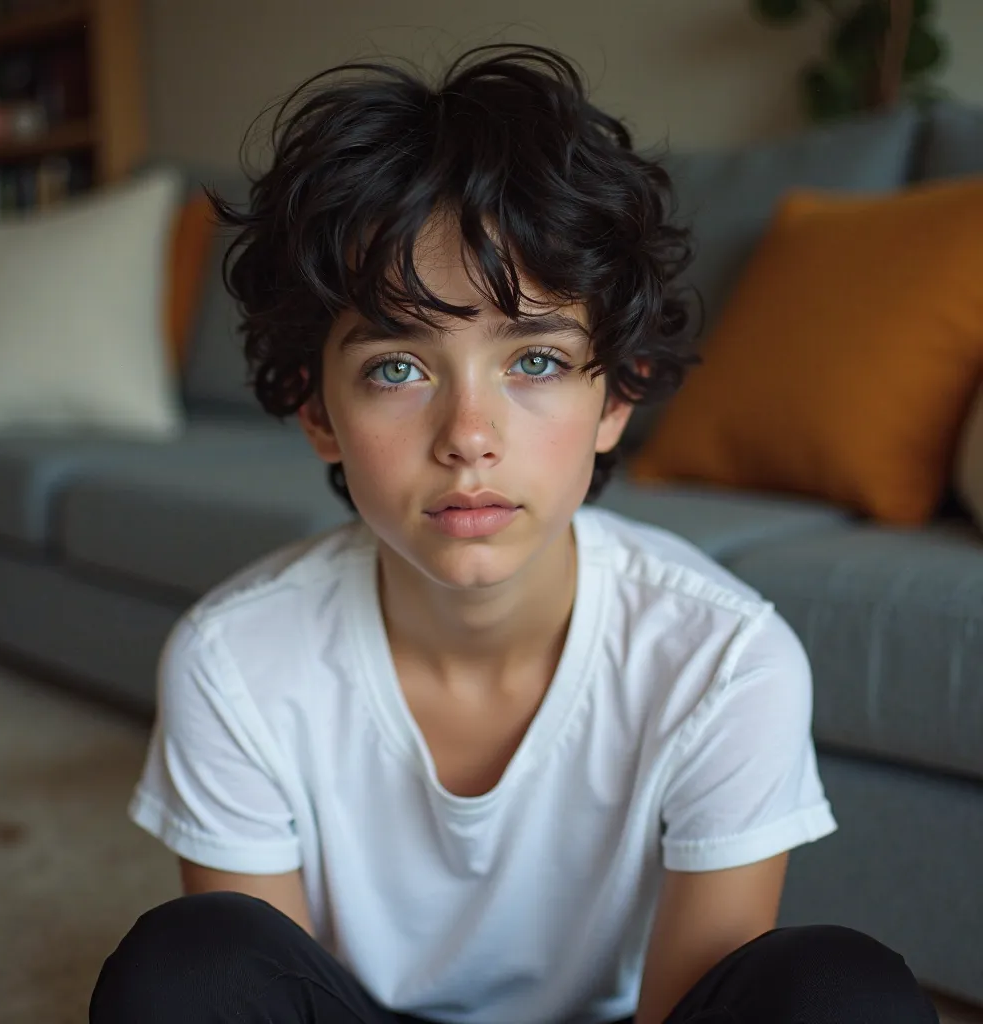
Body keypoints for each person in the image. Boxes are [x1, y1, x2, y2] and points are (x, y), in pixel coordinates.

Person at [90, 43, 940, 1024]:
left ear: (617, 395)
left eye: (533, 359)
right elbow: (258, 983)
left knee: (845, 992)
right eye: (397, 369)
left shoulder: (725, 659)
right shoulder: (232, 659)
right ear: (315, 409)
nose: (468, 438)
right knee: (183, 968)